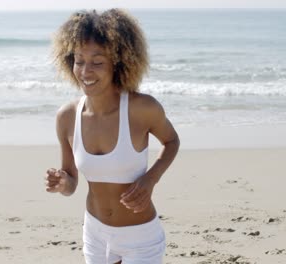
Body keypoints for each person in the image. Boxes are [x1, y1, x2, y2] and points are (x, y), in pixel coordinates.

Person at [45, 9, 179, 264]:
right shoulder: (66, 117)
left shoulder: (142, 109)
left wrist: (151, 179)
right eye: (79, 60)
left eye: (97, 62)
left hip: (140, 239)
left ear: (118, 63)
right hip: (94, 234)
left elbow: (172, 141)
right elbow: (72, 183)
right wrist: (63, 183)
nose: (85, 71)